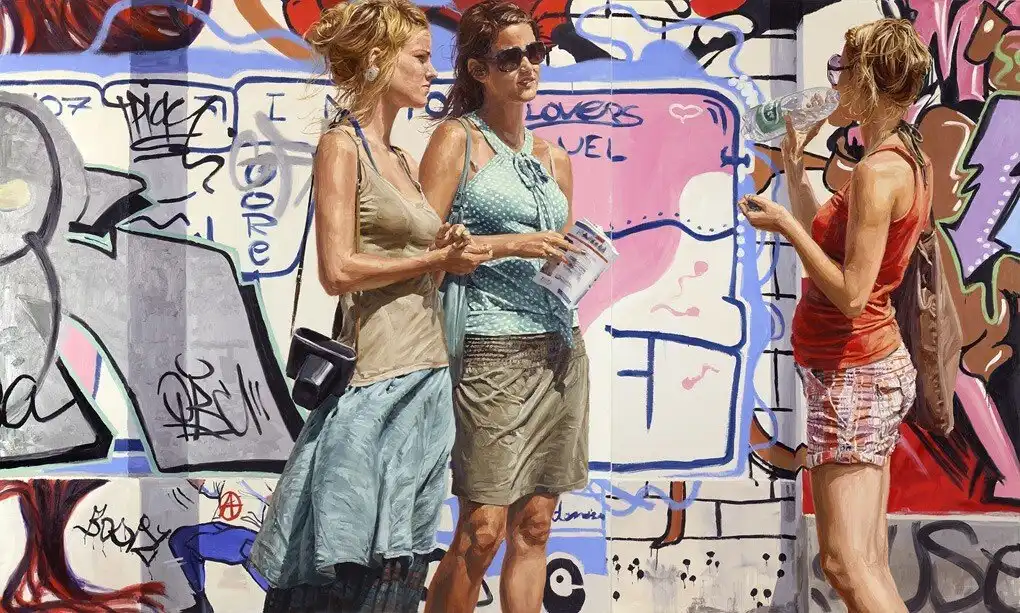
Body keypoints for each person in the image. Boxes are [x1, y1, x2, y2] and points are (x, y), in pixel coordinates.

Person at [247, 2, 492, 612]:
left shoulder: (402, 159)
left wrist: (449, 248)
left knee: (400, 567)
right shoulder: (341, 146)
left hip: (426, 380)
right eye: (421, 57)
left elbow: (416, 259)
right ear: (379, 60)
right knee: (345, 568)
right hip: (374, 384)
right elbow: (337, 270)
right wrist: (434, 258)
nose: (433, 71)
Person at [738, 18, 932, 613]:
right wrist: (796, 173)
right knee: (866, 562)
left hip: (853, 372)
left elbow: (851, 292)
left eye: (841, 69)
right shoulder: (899, 156)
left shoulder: (877, 172)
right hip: (860, 368)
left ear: (867, 79)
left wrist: (785, 226)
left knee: (845, 563)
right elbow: (834, 244)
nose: (834, 82)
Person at [418, 2, 589, 612]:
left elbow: (558, 256)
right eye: (510, 57)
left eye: (534, 52)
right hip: (489, 349)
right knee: (481, 530)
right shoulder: (456, 139)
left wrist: (583, 260)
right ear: (478, 70)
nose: (527, 66)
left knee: (535, 526)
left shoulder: (554, 158)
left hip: (559, 350)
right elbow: (423, 250)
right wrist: (509, 244)